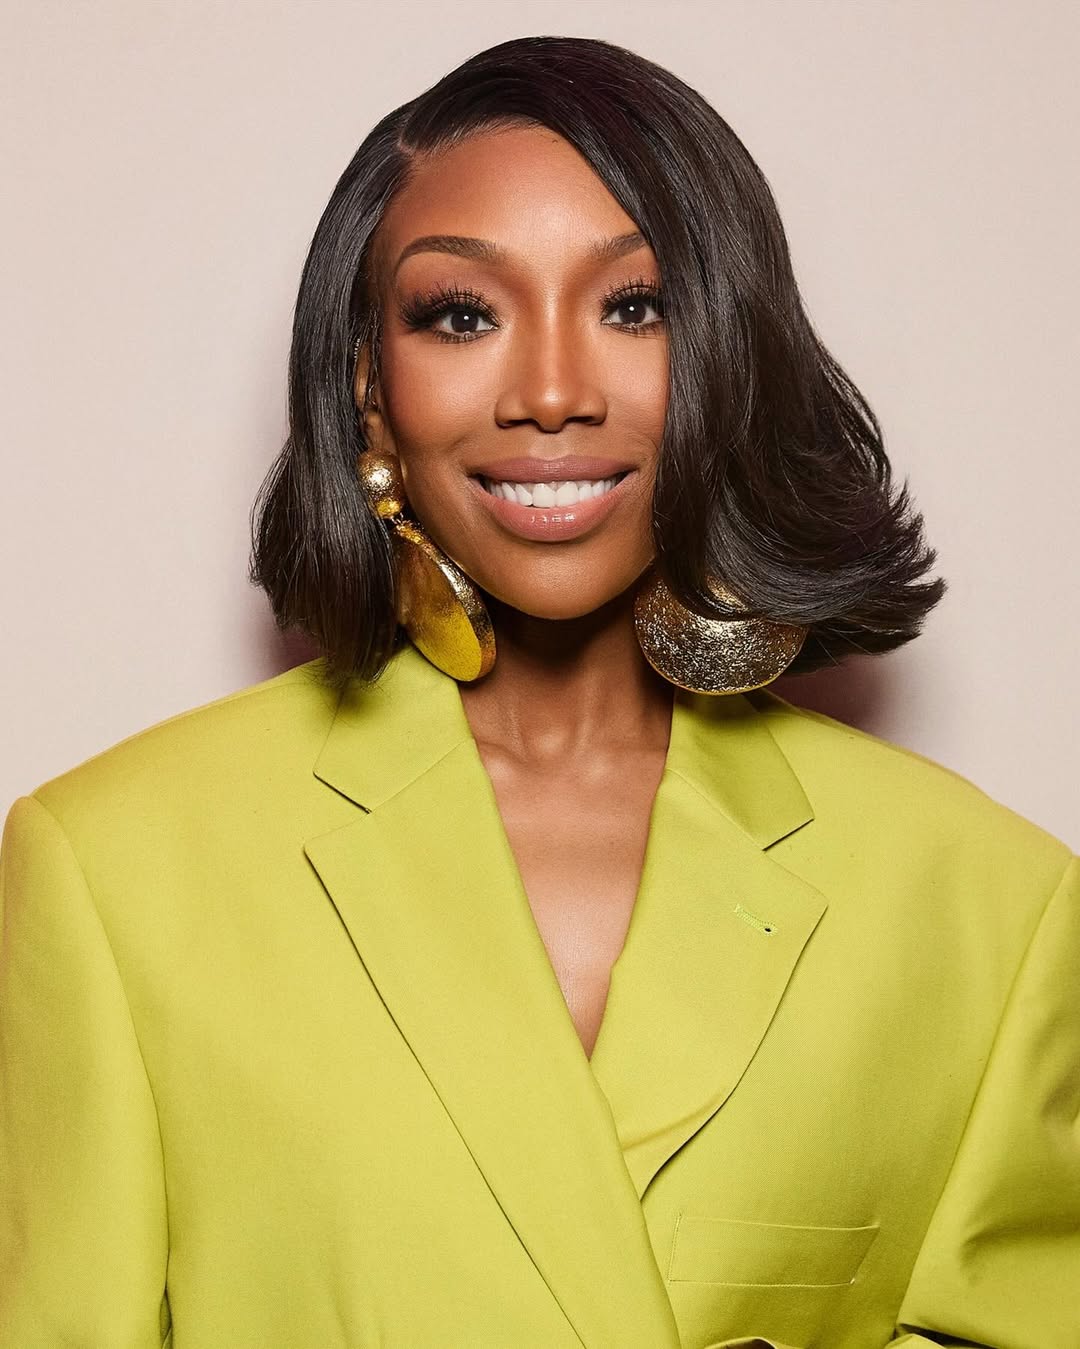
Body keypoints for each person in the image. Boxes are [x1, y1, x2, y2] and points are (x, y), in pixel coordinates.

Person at [1, 32, 1076, 1349]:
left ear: (729, 361)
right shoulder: (114, 867)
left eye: (636, 307)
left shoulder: (985, 904)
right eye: (462, 314)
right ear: (368, 390)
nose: (554, 392)